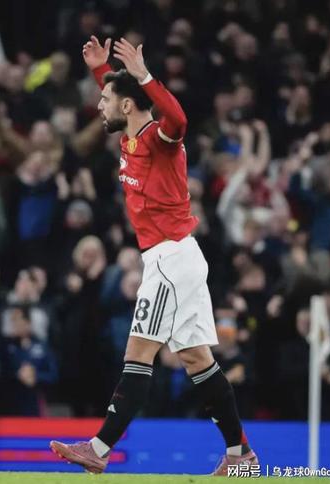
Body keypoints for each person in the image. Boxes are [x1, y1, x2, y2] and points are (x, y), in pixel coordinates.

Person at [49, 36, 258, 475]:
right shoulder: (130, 135)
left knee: (138, 353)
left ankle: (99, 449)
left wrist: (143, 75)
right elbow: (121, 99)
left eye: (104, 99)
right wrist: (102, 70)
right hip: (177, 257)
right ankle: (241, 456)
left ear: (127, 105)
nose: (99, 105)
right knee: (198, 361)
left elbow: (177, 118)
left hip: (170, 260)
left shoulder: (159, 139)